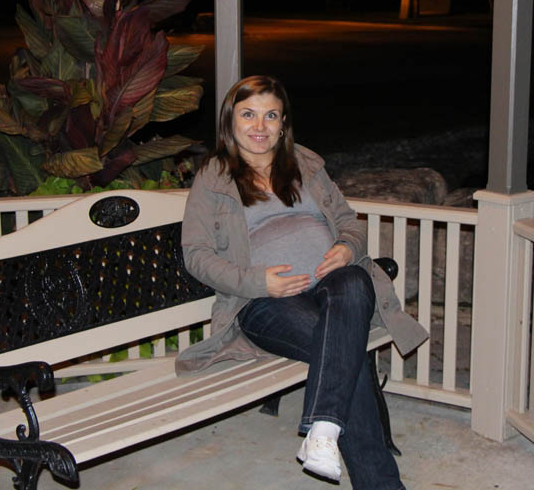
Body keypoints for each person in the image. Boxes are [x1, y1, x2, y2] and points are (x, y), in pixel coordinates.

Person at [176, 75, 428, 488]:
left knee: (354, 281)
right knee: (345, 352)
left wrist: (346, 247)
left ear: (283, 124)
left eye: (271, 115)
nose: (260, 126)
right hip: (264, 304)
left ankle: (323, 430)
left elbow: (350, 222)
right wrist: (258, 282)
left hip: (335, 289)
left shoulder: (306, 165)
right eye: (248, 114)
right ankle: (372, 474)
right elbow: (197, 256)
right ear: (230, 122)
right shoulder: (213, 178)